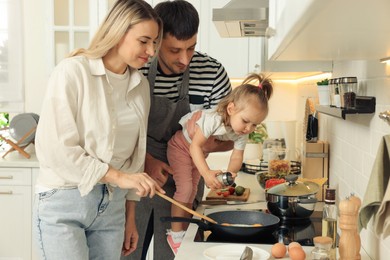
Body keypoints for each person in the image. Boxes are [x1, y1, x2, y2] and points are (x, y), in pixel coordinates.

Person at [32, 0, 165, 259]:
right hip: (65, 201)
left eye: (155, 42)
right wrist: (120, 177)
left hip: (112, 206)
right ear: (118, 33)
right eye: (144, 41)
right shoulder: (72, 72)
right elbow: (56, 151)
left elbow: (134, 159)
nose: (151, 51)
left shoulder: (139, 87)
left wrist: (130, 217)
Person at [126, 1, 233, 259]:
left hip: (186, 179)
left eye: (191, 47)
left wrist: (199, 145)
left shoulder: (213, 73)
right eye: (175, 50)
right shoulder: (134, 68)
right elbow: (116, 133)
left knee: (180, 255)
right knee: (128, 250)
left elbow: (231, 137)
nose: (185, 59)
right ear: (156, 40)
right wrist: (145, 161)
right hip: (137, 176)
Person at [166, 73, 273, 253]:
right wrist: (207, 173)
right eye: (246, 121)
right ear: (231, 109)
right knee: (184, 188)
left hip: (197, 153)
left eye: (255, 125)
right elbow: (195, 147)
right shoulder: (213, 118)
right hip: (181, 148)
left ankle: (183, 230)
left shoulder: (242, 132)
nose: (249, 129)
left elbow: (237, 157)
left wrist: (230, 174)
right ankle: (175, 234)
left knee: (191, 191)